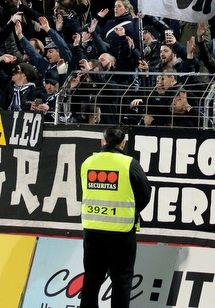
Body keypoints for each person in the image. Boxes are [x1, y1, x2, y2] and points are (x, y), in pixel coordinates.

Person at [79, 126, 151, 308]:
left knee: (91, 280)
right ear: (124, 143)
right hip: (121, 232)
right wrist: (130, 211)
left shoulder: (88, 162)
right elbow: (145, 193)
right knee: (121, 282)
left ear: (103, 141)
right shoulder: (129, 164)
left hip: (93, 230)